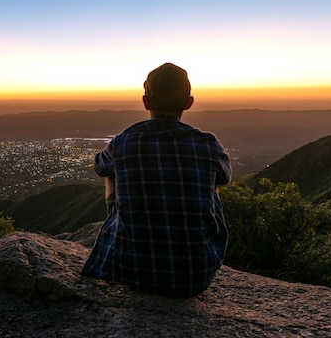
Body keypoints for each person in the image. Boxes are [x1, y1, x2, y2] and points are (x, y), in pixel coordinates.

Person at [82, 62, 232, 298]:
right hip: (196, 276)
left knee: (113, 172)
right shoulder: (208, 143)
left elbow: (100, 166)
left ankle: (128, 238)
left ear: (146, 102)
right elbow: (224, 178)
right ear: (189, 102)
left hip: (133, 272)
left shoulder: (124, 141)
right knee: (212, 183)